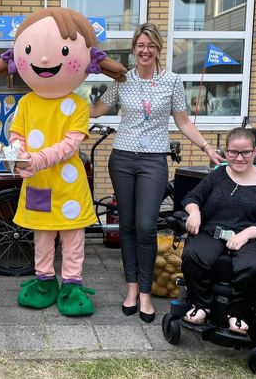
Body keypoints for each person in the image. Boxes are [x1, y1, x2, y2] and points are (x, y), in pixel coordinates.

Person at [0, 7, 127, 316]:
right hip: (38, 181)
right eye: (33, 51)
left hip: (68, 184)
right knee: (42, 236)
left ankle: (72, 283)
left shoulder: (77, 105)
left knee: (73, 238)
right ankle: (44, 281)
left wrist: (34, 158)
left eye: (63, 51)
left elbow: (70, 144)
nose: (45, 60)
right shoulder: (26, 102)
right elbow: (16, 133)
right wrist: (19, 153)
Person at [90, 22, 223, 323]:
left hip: (153, 161)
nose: (145, 50)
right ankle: (132, 290)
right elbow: (96, 110)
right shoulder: (122, 79)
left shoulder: (173, 81)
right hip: (122, 158)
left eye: (150, 45)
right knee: (126, 226)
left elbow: (183, 121)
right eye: (140, 45)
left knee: (147, 226)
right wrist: (62, 94)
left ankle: (147, 294)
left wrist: (206, 147)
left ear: (158, 49)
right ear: (134, 49)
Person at [180, 127, 256, 335]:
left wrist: (245, 235)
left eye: (245, 152)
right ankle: (201, 305)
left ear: (254, 152)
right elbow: (192, 197)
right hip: (213, 232)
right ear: (226, 152)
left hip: (251, 239)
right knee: (193, 254)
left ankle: (238, 313)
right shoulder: (218, 175)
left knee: (253, 266)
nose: (239, 158)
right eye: (232, 152)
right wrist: (194, 212)